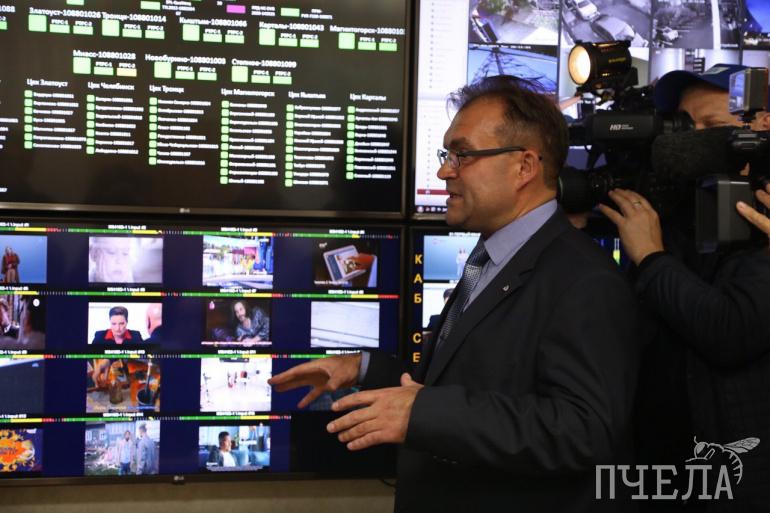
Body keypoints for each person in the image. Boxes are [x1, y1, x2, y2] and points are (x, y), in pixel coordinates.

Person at [270, 75, 639, 512]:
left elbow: (583, 431)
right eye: (447, 155)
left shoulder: (585, 280)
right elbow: (459, 380)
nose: (445, 171)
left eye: (462, 155)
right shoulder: (491, 258)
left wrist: (423, 415)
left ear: (524, 167)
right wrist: (363, 368)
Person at [599, 63, 770, 510]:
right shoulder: (677, 209)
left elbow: (731, 331)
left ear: (760, 124)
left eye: (711, 127)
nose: (691, 142)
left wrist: (651, 257)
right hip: (660, 473)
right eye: (684, 127)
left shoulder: (765, 214)